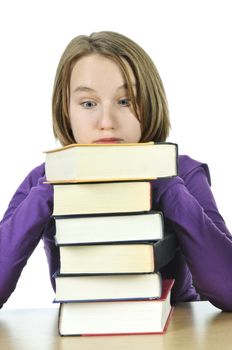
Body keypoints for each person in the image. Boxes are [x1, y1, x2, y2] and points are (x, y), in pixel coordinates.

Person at [0, 31, 232, 311]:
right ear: (66, 111)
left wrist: (168, 188)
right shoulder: (43, 180)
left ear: (150, 102)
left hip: (176, 334)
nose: (107, 122)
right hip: (80, 333)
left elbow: (228, 288)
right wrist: (48, 193)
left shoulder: (182, 173)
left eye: (125, 101)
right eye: (88, 104)